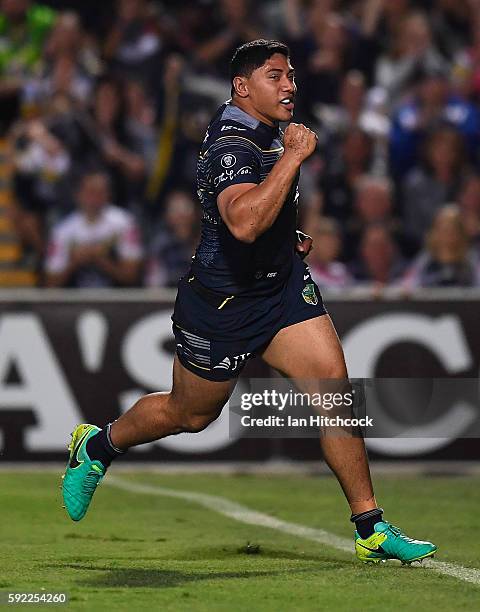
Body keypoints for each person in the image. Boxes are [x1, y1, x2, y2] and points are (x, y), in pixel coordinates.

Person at [61, 40, 436, 565]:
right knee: (188, 415)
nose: (290, 85)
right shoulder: (232, 146)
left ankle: (370, 527)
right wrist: (297, 156)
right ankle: (98, 446)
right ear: (243, 87)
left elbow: (260, 215)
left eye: (291, 76)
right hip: (222, 306)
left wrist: (287, 236)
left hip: (279, 289)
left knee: (334, 394)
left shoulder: (258, 128)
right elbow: (243, 221)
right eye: (276, 76)